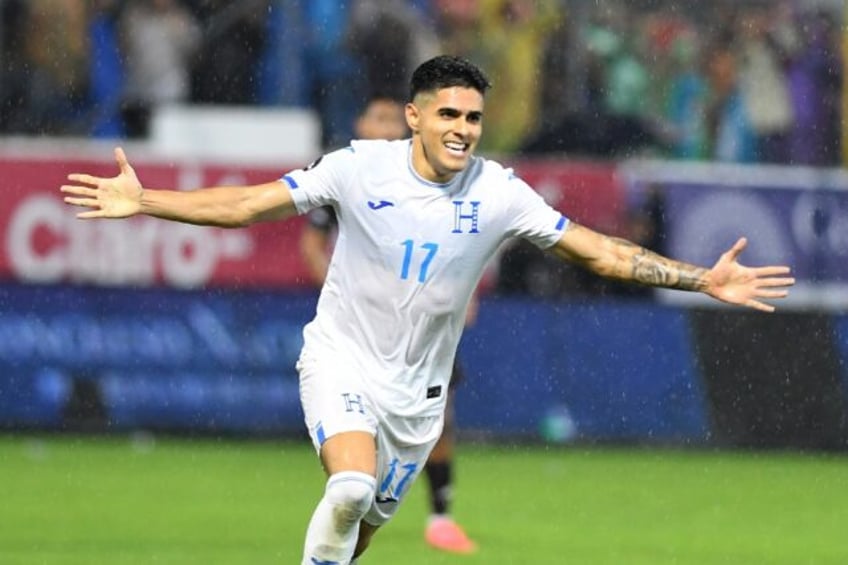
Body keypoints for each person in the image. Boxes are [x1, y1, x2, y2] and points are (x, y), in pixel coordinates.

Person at [62, 55, 794, 564]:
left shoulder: (499, 192)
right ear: (412, 116)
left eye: (473, 116)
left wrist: (701, 279)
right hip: (341, 359)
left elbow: (596, 250)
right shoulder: (356, 167)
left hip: (417, 401)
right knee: (347, 486)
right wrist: (146, 199)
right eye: (447, 112)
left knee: (361, 530)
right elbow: (247, 205)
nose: (462, 128)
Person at [299, 94, 478, 554]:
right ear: (359, 120)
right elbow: (311, 243)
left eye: (390, 118)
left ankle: (440, 514)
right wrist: (337, 288)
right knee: (354, 483)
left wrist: (466, 295)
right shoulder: (347, 172)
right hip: (359, 331)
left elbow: (461, 249)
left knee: (440, 421)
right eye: (375, 116)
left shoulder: (432, 181)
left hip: (420, 330)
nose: (384, 126)